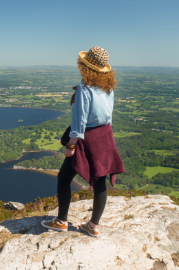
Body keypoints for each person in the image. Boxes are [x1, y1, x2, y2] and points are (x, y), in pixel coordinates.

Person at [41, 47, 125, 237]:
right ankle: (93, 226)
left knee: (63, 178)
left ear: (85, 66)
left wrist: (71, 146)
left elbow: (80, 121)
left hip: (85, 138)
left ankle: (61, 221)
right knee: (100, 179)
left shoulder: (85, 88)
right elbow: (108, 115)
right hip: (104, 135)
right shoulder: (108, 87)